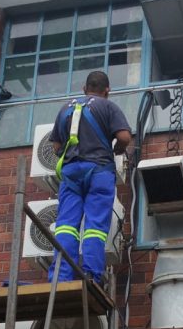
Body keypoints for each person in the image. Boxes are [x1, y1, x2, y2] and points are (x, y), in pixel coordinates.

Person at [48, 70, 131, 284]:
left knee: (66, 225)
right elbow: (124, 136)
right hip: (99, 172)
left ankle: (61, 276)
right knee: (94, 226)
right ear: (107, 91)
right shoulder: (108, 106)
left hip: (71, 174)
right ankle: (91, 276)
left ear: (84, 89)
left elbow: (56, 146)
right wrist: (118, 149)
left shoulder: (65, 108)